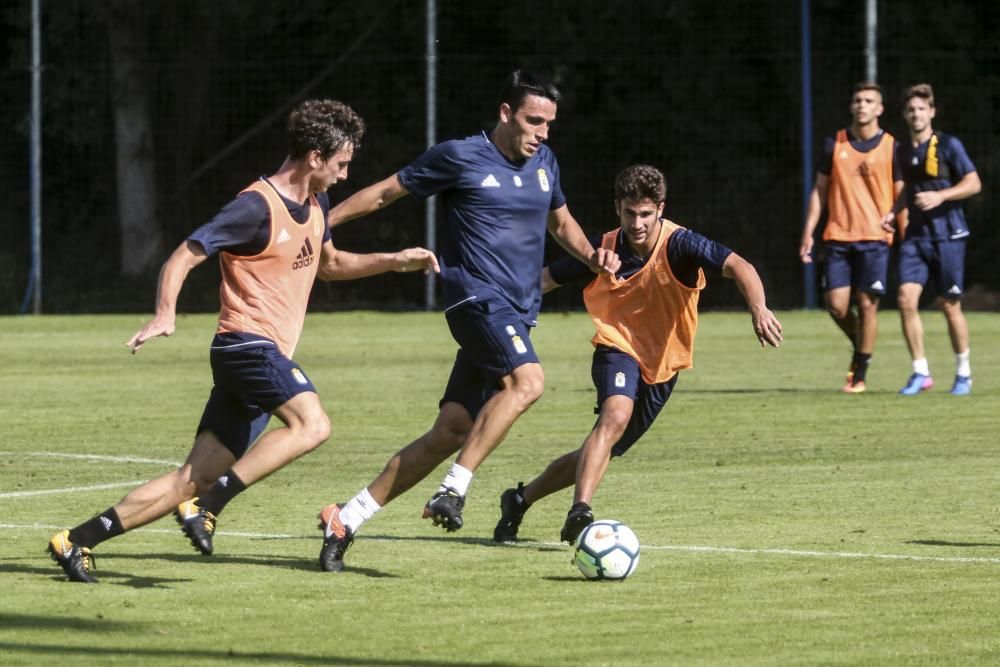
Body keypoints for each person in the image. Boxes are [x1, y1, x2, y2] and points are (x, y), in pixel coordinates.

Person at [47, 99, 439, 583]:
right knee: (313, 425)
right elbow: (184, 255)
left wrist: (393, 260)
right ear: (314, 157)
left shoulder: (317, 204)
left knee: (189, 478)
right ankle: (209, 507)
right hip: (245, 347)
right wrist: (165, 312)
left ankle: (77, 540)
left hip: (260, 357)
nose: (343, 175)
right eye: (341, 164)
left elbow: (330, 266)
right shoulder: (255, 207)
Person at [314, 70, 620, 572]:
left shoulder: (546, 161)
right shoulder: (459, 155)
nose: (542, 132)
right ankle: (453, 491)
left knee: (451, 429)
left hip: (517, 313)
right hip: (474, 299)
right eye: (533, 120)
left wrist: (593, 257)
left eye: (549, 123)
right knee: (528, 381)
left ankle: (345, 518)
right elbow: (387, 193)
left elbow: (561, 223)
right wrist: (321, 220)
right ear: (506, 113)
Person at [492, 164, 783, 544]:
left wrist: (758, 307)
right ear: (618, 208)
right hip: (617, 346)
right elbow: (547, 278)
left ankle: (519, 499)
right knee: (615, 416)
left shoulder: (681, 245)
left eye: (645, 213)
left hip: (663, 365)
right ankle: (580, 511)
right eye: (630, 213)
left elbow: (740, 266)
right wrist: (503, 310)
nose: (637, 222)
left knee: (600, 448)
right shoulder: (605, 249)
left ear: (660, 209)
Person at [799, 82, 903, 393]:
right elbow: (819, 191)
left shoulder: (892, 147)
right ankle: (862, 343)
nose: (862, 105)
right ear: (851, 106)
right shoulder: (835, 143)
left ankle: (860, 372)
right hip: (838, 237)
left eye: (869, 101)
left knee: (867, 303)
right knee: (837, 306)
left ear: (880, 109)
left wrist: (901, 224)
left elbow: (901, 194)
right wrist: (808, 232)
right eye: (858, 100)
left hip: (874, 238)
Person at [881, 84, 981, 395]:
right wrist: (893, 211)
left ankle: (963, 373)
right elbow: (909, 191)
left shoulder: (949, 145)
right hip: (915, 238)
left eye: (921, 108)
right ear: (905, 115)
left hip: (948, 235)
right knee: (905, 300)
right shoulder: (902, 150)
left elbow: (973, 182)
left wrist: (942, 196)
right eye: (911, 109)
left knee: (949, 305)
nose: (916, 114)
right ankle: (920, 372)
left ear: (932, 112)